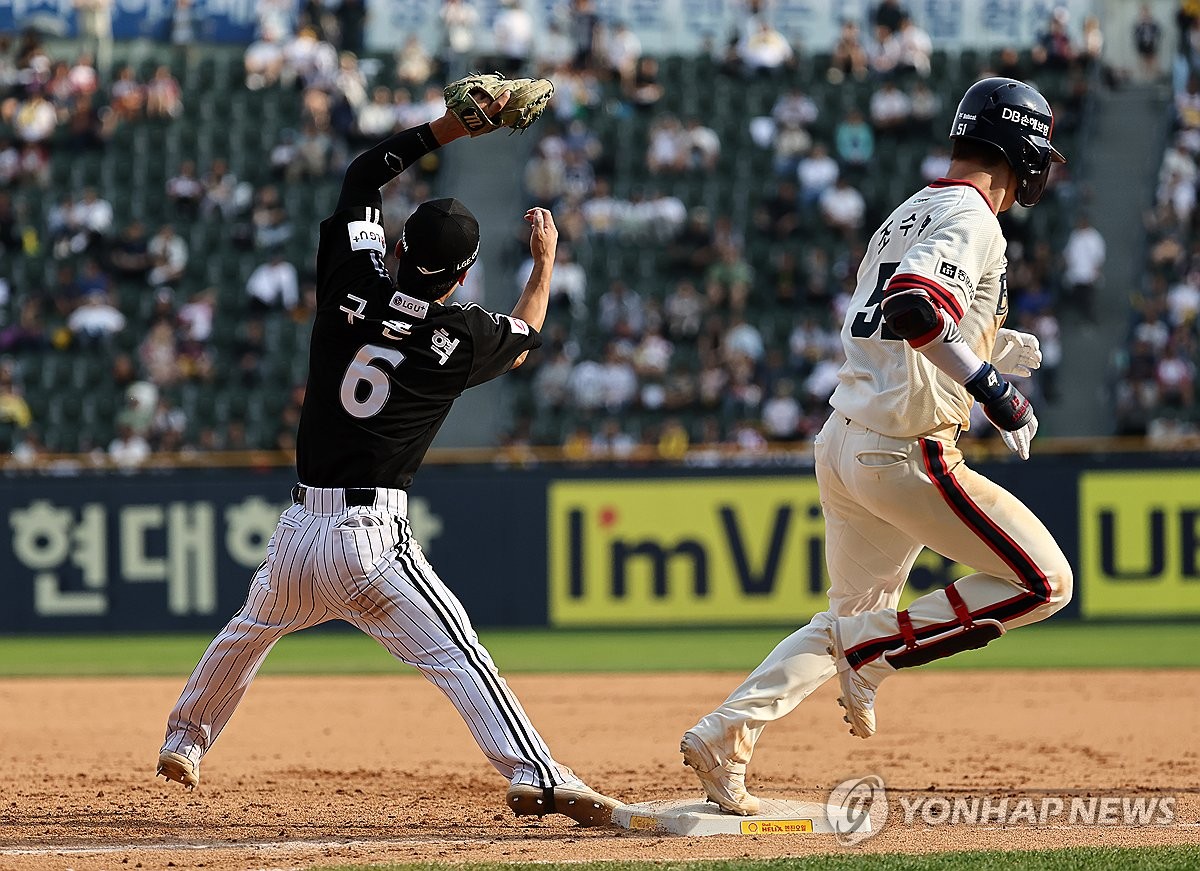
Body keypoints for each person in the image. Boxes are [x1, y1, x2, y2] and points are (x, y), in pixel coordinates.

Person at [156, 77, 621, 827]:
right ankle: (535, 771)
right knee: (459, 653)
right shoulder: (459, 338)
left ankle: (185, 738)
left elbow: (362, 175)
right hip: (371, 540)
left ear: (400, 247)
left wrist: (449, 128)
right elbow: (527, 336)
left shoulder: (349, 280)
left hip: (299, 530)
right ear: (464, 276)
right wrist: (544, 260)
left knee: (249, 629)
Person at [680, 77, 1073, 815]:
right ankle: (876, 651)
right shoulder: (973, 217)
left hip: (845, 439)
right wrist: (991, 384)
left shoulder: (912, 206)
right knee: (1044, 583)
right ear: (1021, 149)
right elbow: (913, 305)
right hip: (905, 450)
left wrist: (990, 339)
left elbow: (896, 310)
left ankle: (726, 730)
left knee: (846, 618)